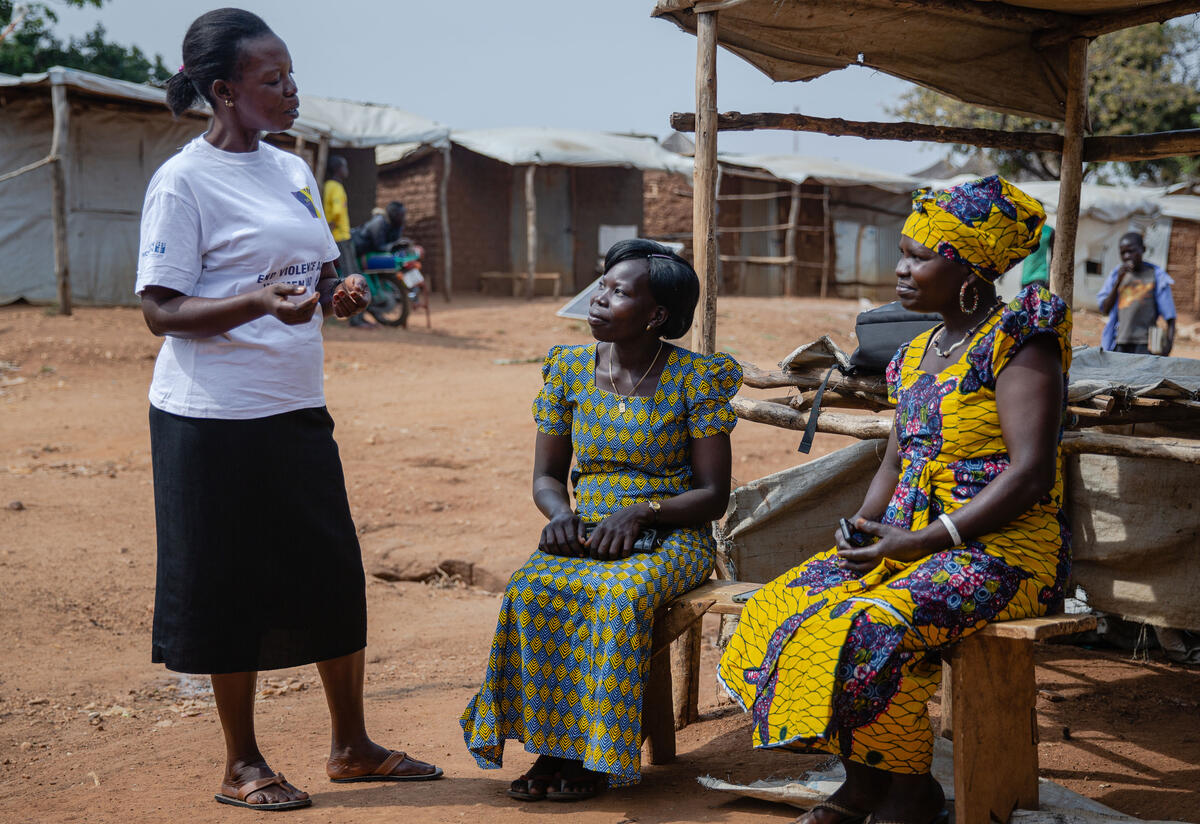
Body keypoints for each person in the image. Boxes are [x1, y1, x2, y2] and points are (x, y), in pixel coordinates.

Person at [138, 8, 440, 811]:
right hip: (209, 419)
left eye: (292, 75)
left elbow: (315, 282)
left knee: (332, 575)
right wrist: (254, 301)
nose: (291, 90)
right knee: (224, 586)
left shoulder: (293, 169)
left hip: (294, 406)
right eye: (272, 81)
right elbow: (162, 312)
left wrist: (336, 295)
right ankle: (242, 764)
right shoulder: (183, 181)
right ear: (224, 91)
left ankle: (351, 746)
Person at [719, 176, 1071, 824]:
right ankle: (863, 782)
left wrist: (925, 539)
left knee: (874, 626)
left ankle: (910, 790)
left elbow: (1028, 473)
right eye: (903, 253)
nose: (900, 269)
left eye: (918, 256)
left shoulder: (1020, 342)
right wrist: (864, 523)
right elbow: (894, 458)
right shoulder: (913, 355)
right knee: (783, 603)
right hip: (907, 543)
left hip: (999, 553)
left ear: (967, 269)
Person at [460, 239, 742, 799]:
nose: (598, 299)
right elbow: (546, 477)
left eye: (618, 292)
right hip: (587, 528)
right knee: (531, 588)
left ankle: (592, 755)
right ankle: (552, 748)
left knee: (616, 596)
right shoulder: (567, 370)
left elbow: (713, 494)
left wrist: (641, 512)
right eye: (601, 286)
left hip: (672, 532)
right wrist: (561, 514)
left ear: (657, 315)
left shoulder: (694, 380)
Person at [1096, 232, 1175, 354]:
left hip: (1145, 344)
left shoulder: (1156, 276)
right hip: (1119, 342)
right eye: (1123, 253)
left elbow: (1170, 316)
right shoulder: (1117, 274)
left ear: (1143, 249)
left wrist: (1168, 346)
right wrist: (1118, 282)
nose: (1127, 256)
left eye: (1131, 251)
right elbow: (1105, 309)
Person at [323, 155, 356, 277]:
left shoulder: (328, 185)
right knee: (349, 271)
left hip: (336, 234)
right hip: (340, 235)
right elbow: (337, 212)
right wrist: (330, 230)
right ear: (338, 169)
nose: (347, 170)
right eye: (345, 167)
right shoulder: (336, 187)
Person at [1020, 222, 1053, 291]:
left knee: (1037, 301)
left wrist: (1051, 278)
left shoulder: (1049, 231)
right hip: (1025, 277)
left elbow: (1054, 258)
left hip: (1040, 275)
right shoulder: (1025, 229)